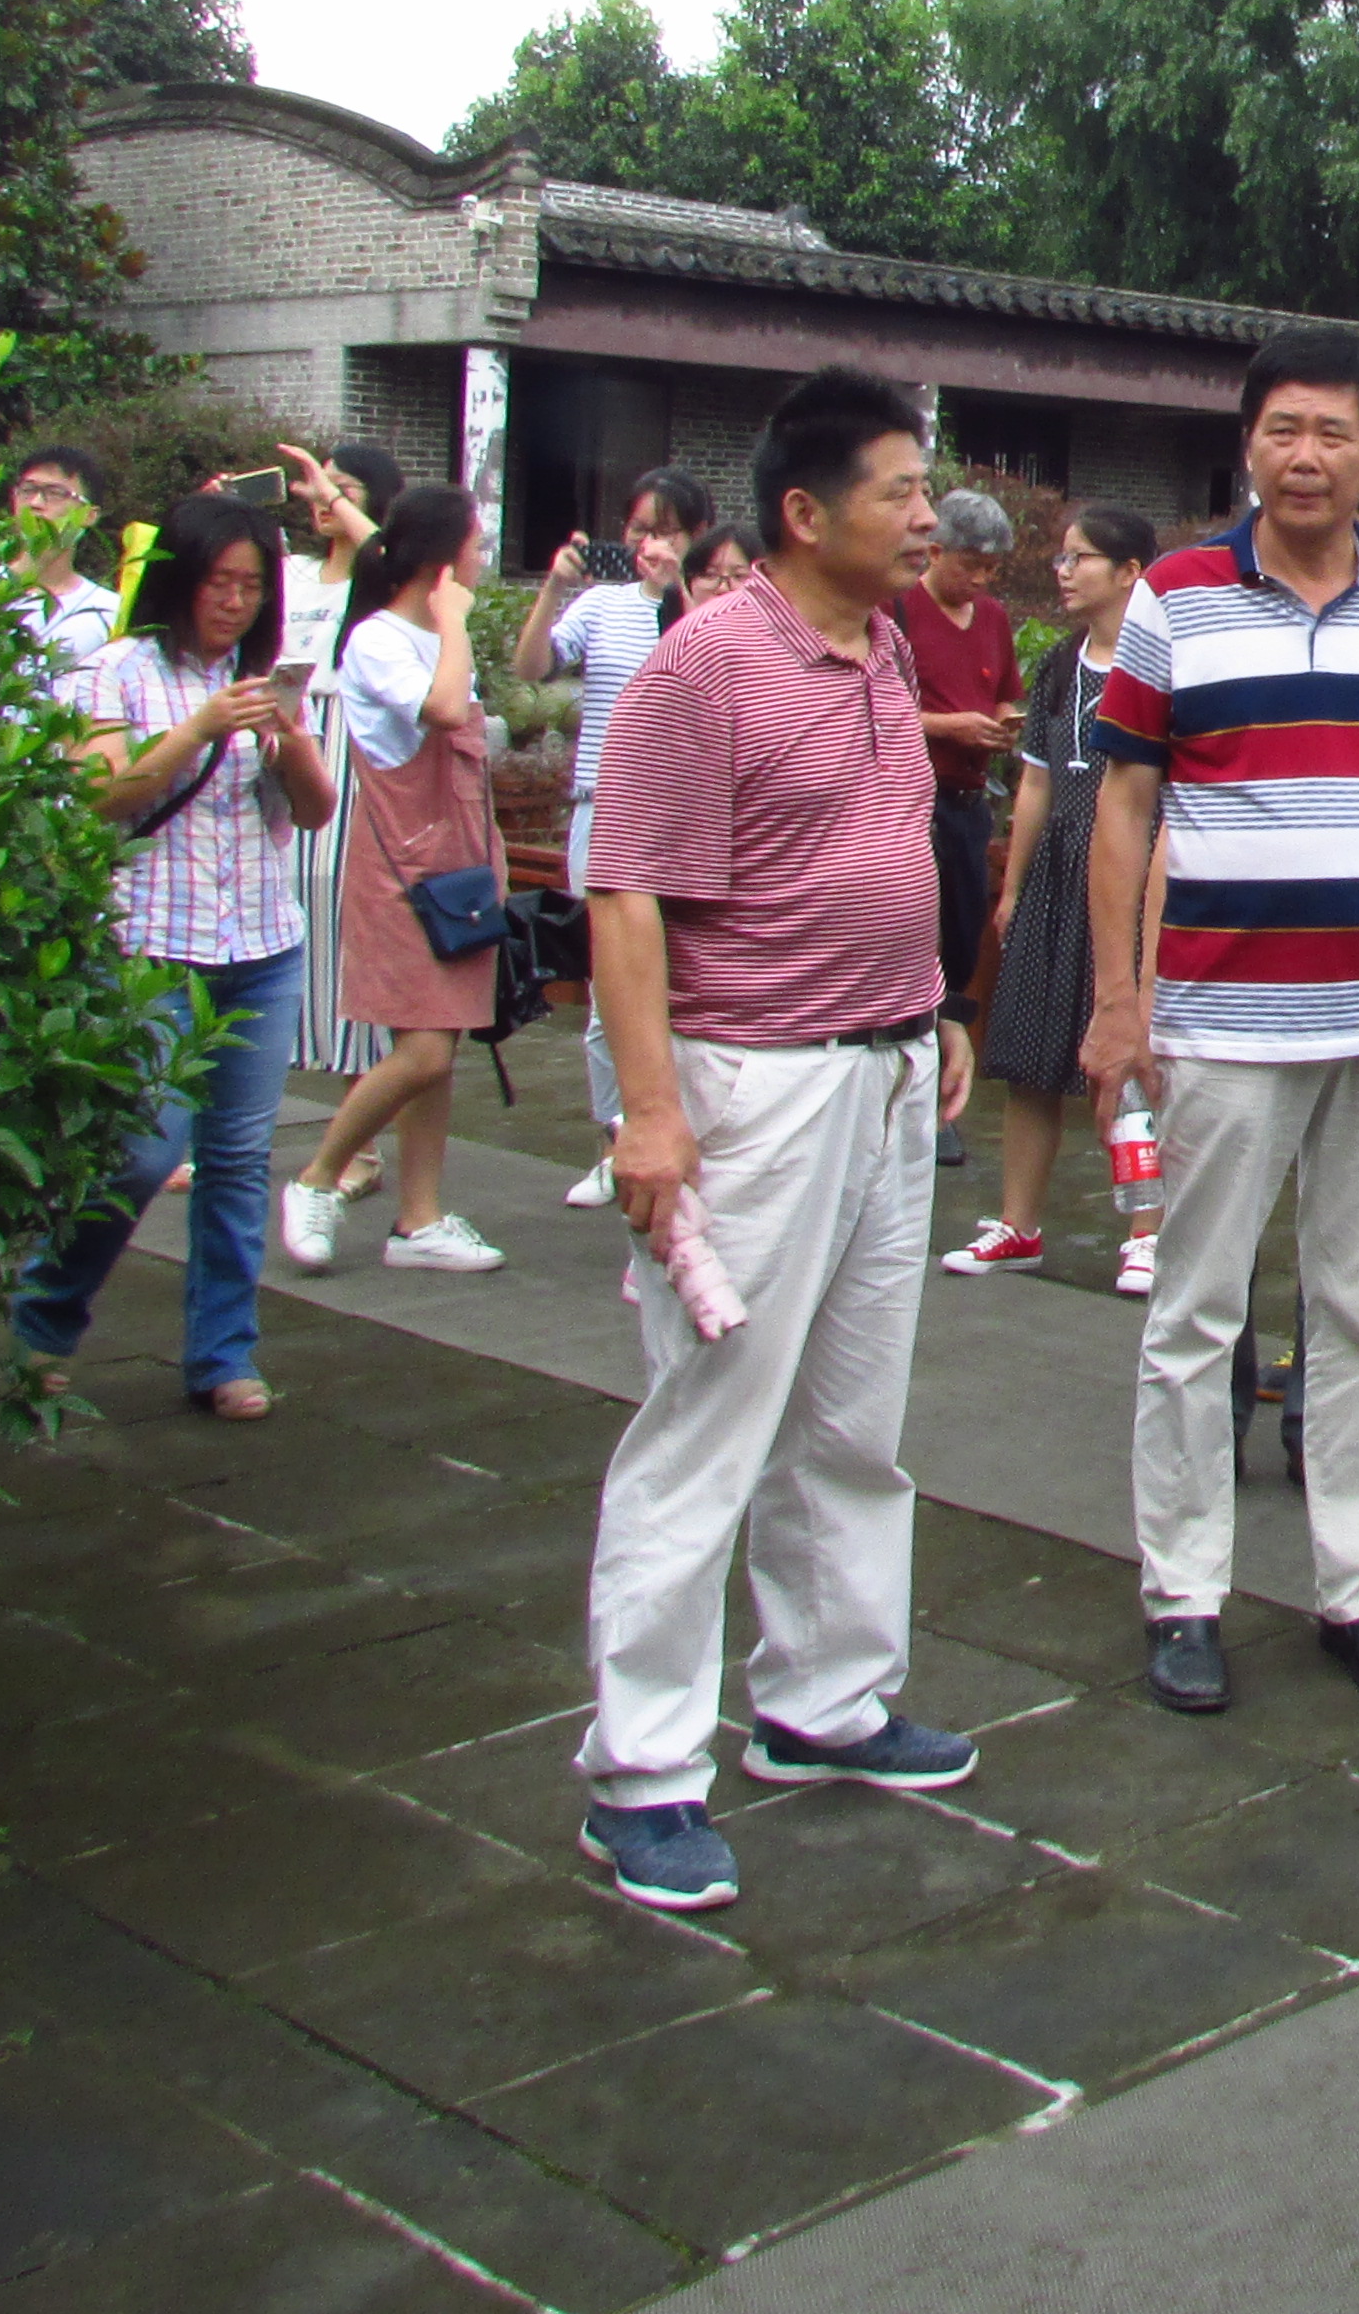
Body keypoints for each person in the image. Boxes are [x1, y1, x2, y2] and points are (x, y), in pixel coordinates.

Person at [573, 367, 985, 1912]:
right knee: (707, 1430)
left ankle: (824, 1700)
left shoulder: (882, 645)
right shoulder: (708, 665)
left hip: (886, 1072)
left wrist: (936, 1006)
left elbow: (878, 851)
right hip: (754, 1087)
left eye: (923, 487)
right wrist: (651, 1113)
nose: (926, 514)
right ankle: (641, 1774)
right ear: (806, 513)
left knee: (852, 1418)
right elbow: (624, 895)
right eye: (899, 491)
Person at [1081, 327, 1359, 1719]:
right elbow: (1125, 804)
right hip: (1222, 1019)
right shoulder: (1176, 596)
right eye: (1282, 429)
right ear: (1247, 442)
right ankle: (1182, 1595)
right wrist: (1117, 999)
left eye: (1332, 433)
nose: (1304, 456)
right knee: (1196, 1313)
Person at [10, 493, 335, 1418]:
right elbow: (102, 797)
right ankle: (45, 1313)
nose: (233, 602)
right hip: (150, 948)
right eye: (217, 582)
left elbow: (314, 813)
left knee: (237, 1161)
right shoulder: (114, 671)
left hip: (261, 945)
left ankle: (223, 1354)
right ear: (179, 580)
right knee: (140, 1154)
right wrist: (197, 729)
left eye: (251, 586)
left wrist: (289, 741)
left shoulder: (265, 678)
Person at [278, 487, 510, 1275]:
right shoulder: (378, 640)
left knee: (437, 1047)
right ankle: (318, 1176)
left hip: (458, 872)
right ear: (444, 559)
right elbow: (443, 711)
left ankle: (420, 1217)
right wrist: (454, 624)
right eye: (475, 544)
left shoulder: (430, 634)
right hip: (404, 875)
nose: (482, 558)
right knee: (424, 1054)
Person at [952, 502, 1161, 1287]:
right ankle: (1018, 1223)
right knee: (1031, 1053)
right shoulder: (1060, 666)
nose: (1064, 573)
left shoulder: (1162, 665)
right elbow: (1036, 783)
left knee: (1136, 1059)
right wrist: (1013, 884)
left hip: (1134, 873)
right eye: (1062, 559)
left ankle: (1147, 1229)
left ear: (1130, 572)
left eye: (1080, 559)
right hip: (1056, 872)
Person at [515, 465, 719, 1208]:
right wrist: (553, 589)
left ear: (696, 538)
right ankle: (616, 1139)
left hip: (683, 813)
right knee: (610, 989)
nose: (649, 545)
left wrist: (678, 596)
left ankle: (686, 1129)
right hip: (600, 809)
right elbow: (531, 669)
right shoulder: (601, 605)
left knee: (686, 977)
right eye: (639, 530)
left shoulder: (710, 613)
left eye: (666, 532)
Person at [277, 439, 405, 1177]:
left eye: (342, 488)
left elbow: (387, 552)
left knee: (347, 934)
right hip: (286, 745)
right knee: (282, 923)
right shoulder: (290, 572)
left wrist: (340, 501)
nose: (321, 498)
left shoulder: (382, 578)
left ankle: (358, 1142)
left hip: (351, 754)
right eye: (317, 485)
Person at [896, 487, 1026, 1172]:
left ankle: (940, 1096)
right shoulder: (898, 610)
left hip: (970, 802)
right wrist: (949, 726)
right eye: (971, 564)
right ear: (935, 551)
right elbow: (879, 706)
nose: (980, 579)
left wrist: (1001, 722)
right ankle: (914, 1096)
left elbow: (1005, 691)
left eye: (990, 568)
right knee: (911, 938)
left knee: (959, 938)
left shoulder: (993, 618)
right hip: (912, 800)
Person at [4, 444, 123, 682]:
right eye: (28, 490)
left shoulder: (110, 612)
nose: (36, 503)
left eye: (55, 493)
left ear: (89, 515)